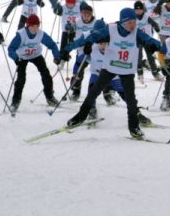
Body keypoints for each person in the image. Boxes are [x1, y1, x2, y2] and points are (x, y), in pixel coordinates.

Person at [64, 8, 161, 139]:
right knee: (93, 91)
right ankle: (80, 117)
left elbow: (150, 40)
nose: (132, 25)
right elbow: (94, 35)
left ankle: (134, 127)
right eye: (129, 23)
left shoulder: (136, 33)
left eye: (134, 22)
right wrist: (88, 43)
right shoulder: (111, 29)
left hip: (127, 71)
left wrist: (156, 46)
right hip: (110, 68)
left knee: (131, 100)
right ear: (122, 22)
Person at [6, 14, 62, 112]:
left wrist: (56, 56)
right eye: (32, 26)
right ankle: (15, 102)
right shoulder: (21, 34)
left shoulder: (41, 34)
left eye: (36, 26)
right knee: (21, 79)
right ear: (28, 25)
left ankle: (50, 97)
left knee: (46, 75)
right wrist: (15, 58)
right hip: (22, 57)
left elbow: (52, 45)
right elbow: (11, 48)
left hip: (36, 55)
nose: (34, 28)